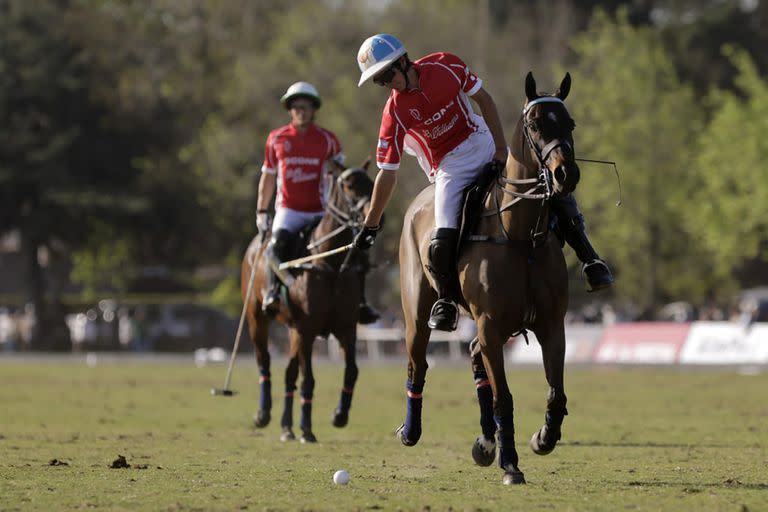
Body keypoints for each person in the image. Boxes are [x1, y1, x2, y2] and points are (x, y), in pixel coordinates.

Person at [353, 34, 509, 331]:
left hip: (482, 141)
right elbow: (387, 173)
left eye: (386, 74)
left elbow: (484, 101)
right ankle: (447, 299)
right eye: (378, 81)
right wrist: (370, 224)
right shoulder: (394, 113)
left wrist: (501, 148)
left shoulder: (445, 65)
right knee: (442, 235)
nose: (386, 83)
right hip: (449, 166)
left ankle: (586, 255)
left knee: (535, 182)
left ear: (403, 60)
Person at [257, 81, 379, 323]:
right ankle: (275, 292)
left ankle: (361, 302)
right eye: (296, 107)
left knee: (357, 247)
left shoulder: (328, 140)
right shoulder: (276, 139)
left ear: (314, 110)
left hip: (322, 210)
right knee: (273, 250)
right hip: (289, 209)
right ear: (290, 110)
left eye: (306, 106)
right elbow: (268, 178)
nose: (301, 111)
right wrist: (261, 210)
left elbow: (340, 176)